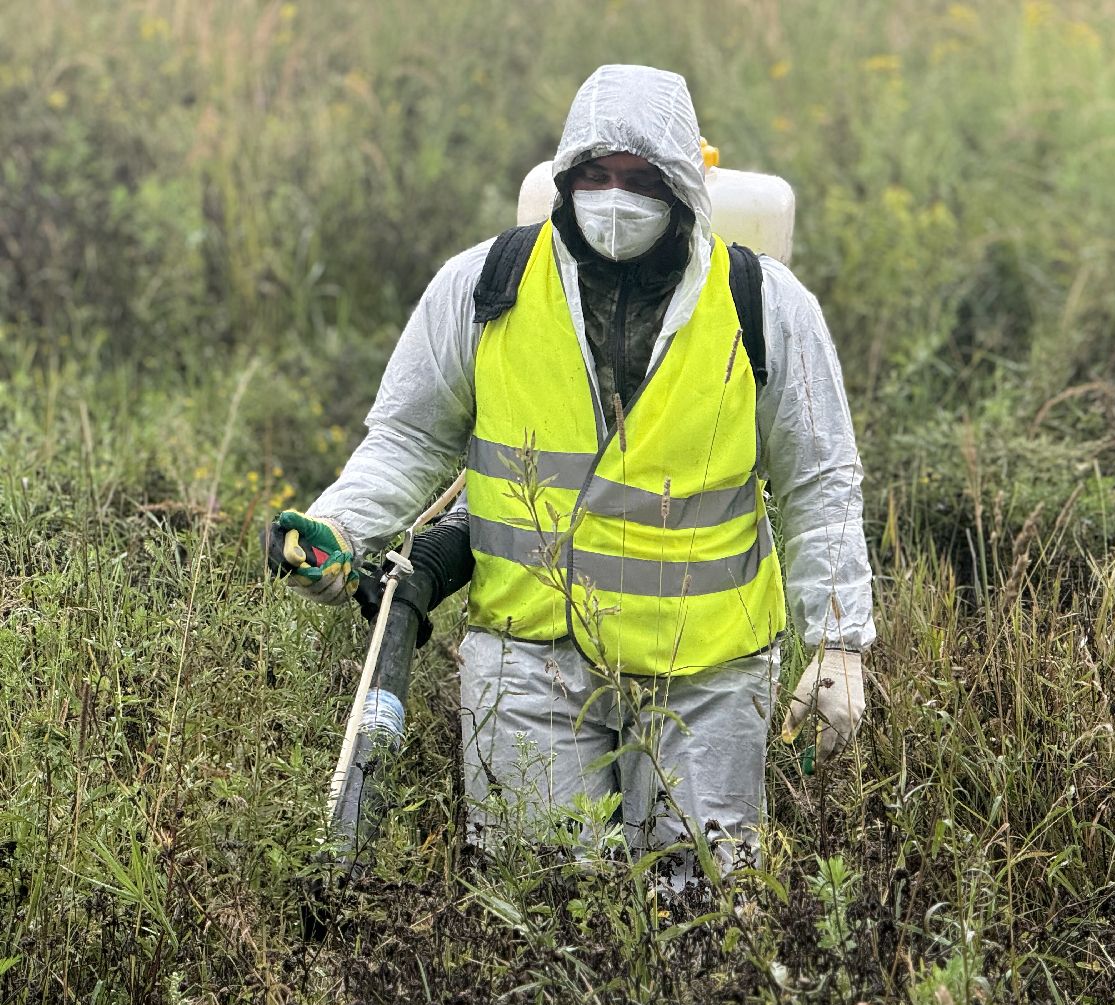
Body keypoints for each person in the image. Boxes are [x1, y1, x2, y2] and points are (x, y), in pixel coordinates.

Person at [272, 64, 874, 882]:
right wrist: (341, 527)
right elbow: (408, 437)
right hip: (530, 666)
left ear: (685, 188)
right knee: (542, 914)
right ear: (563, 178)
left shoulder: (765, 305)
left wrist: (838, 643)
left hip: (705, 679)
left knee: (706, 913)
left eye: (638, 178)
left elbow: (819, 482)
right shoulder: (484, 287)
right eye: (594, 175)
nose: (613, 197)